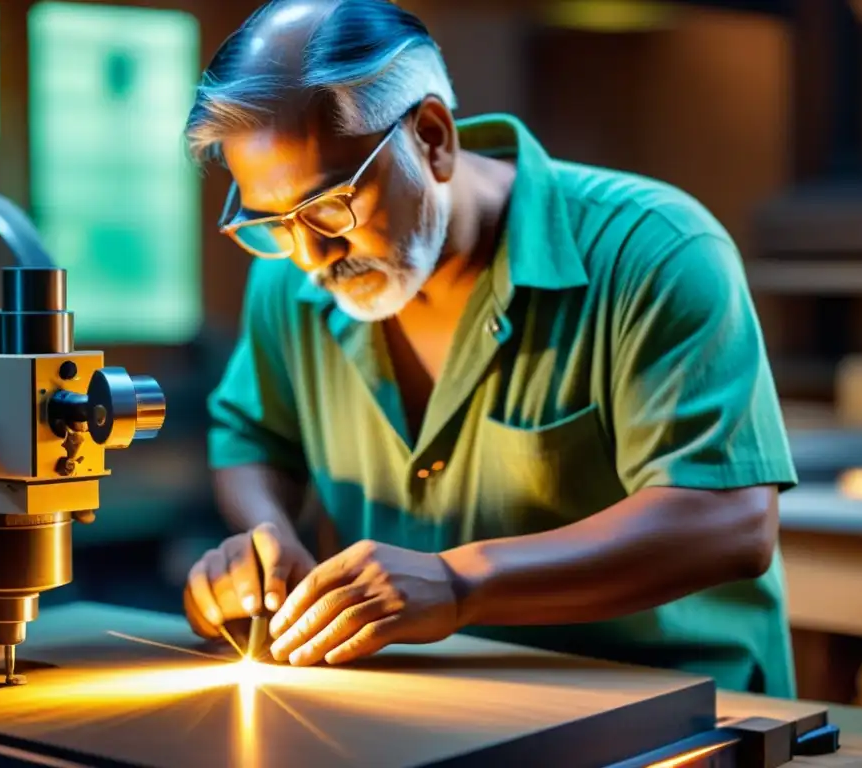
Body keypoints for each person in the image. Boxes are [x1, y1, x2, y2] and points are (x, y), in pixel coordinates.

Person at [181, 0, 799, 698]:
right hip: (429, 708)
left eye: (330, 207)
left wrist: (460, 581)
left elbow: (730, 522)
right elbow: (252, 441)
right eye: (271, 222)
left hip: (672, 710)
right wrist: (266, 543)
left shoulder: (656, 251)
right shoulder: (288, 281)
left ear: (434, 137)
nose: (309, 255)